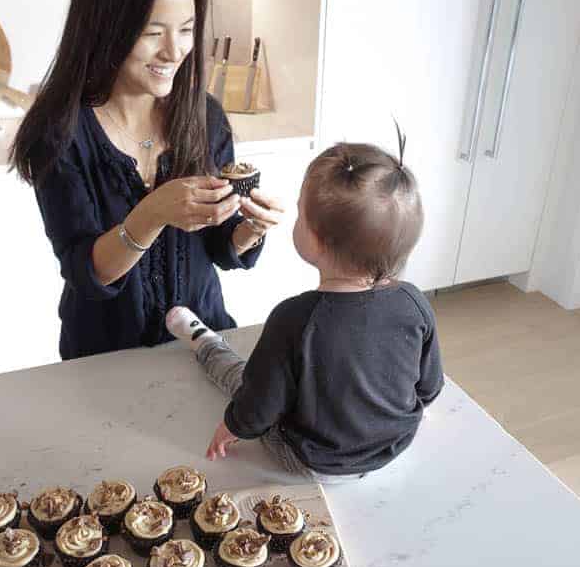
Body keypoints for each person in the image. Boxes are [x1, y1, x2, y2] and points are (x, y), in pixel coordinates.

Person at [10, 0, 283, 359]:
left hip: (205, 342)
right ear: (105, 28)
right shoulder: (62, 133)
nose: (174, 52)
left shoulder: (204, 117)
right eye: (153, 33)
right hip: (104, 359)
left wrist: (249, 232)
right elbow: (88, 273)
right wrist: (151, 213)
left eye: (187, 29)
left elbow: (216, 246)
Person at [166, 137, 444, 483]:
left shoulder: (293, 319)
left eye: (300, 213)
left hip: (312, 462)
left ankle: (204, 341)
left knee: (243, 377)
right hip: (392, 446)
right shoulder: (414, 303)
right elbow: (429, 387)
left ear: (315, 240)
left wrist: (232, 426)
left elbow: (259, 406)